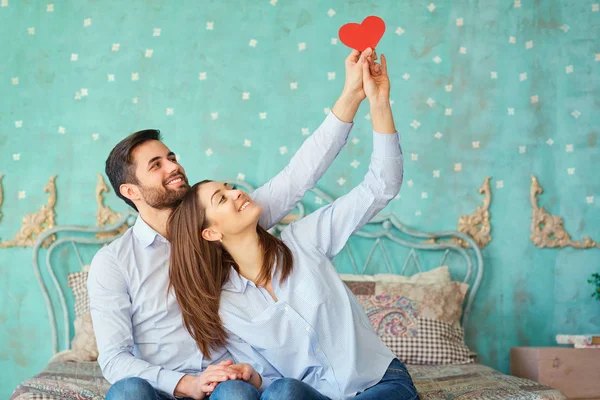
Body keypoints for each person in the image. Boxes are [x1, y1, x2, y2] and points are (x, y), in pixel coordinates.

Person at [88, 48, 377, 400]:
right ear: (130, 191)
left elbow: (299, 175)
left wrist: (350, 97)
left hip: (229, 383)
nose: (173, 167)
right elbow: (114, 359)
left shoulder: (227, 222)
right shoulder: (115, 261)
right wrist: (185, 384)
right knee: (127, 391)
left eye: (171, 157)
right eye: (156, 165)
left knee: (237, 395)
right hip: (163, 389)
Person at [168, 49, 419, 400]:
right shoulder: (228, 307)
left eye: (230, 188)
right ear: (210, 233)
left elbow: (381, 186)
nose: (237, 193)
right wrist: (250, 376)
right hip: (310, 395)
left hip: (377, 383)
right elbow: (268, 380)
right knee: (282, 392)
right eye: (221, 199)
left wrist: (376, 101)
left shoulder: (304, 240)